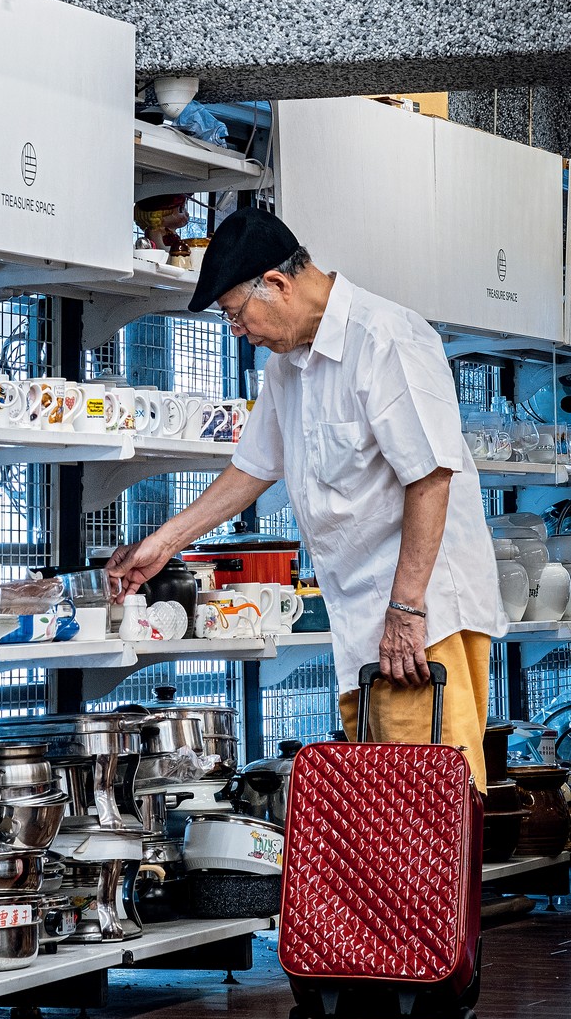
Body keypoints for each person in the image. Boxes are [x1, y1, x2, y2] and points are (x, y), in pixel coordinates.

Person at [106, 206, 507, 790]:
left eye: (235, 314)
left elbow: (430, 477)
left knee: (425, 809)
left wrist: (407, 609)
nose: (237, 332)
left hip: (422, 619)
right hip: (365, 620)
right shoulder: (287, 366)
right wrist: (163, 544)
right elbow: (252, 469)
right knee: (382, 810)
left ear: (277, 283)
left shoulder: (386, 339)